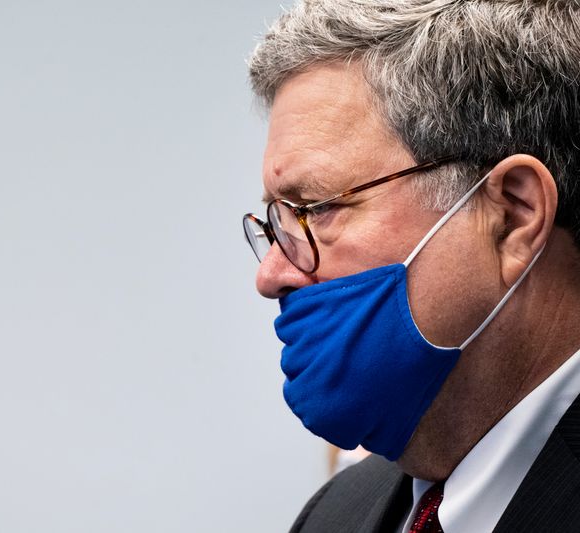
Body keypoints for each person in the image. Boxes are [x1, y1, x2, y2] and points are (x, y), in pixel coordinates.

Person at [241, 1, 580, 531]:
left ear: (513, 215)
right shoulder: (335, 515)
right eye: (278, 220)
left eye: (319, 208)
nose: (270, 275)